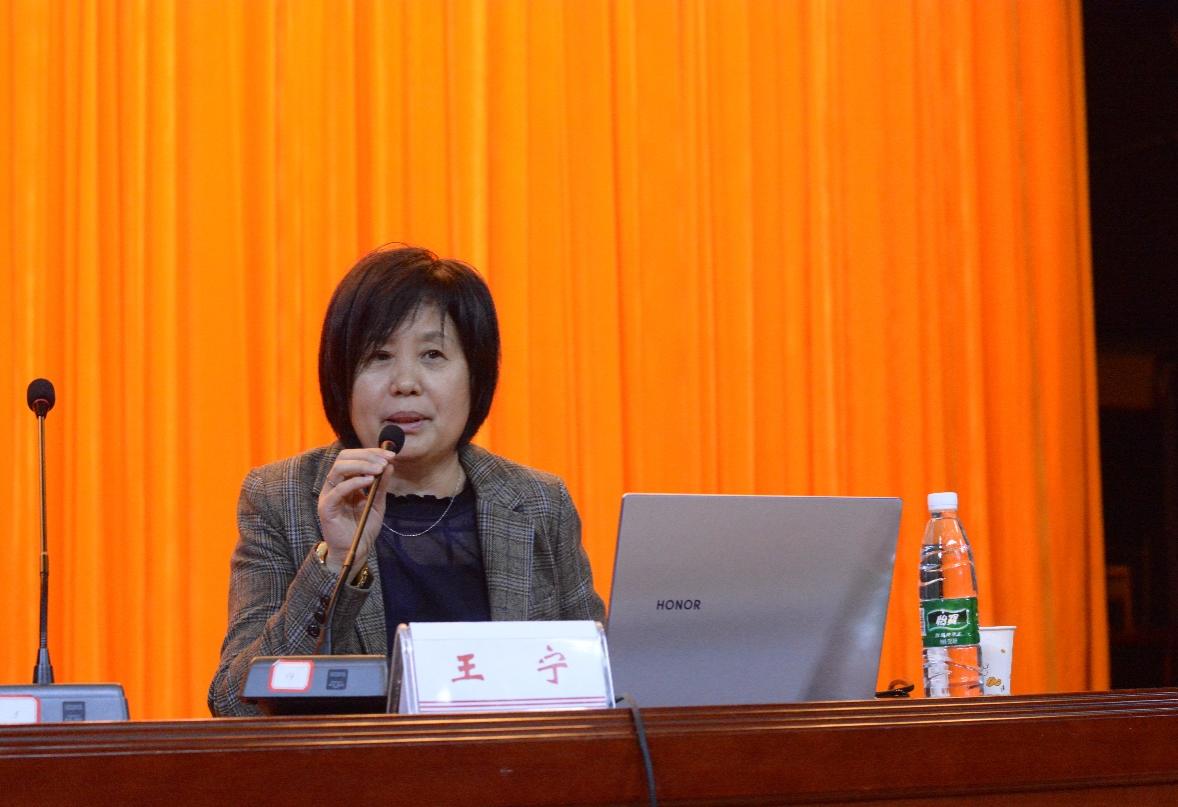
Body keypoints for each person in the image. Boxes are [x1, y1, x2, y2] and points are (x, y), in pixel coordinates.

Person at [208, 246, 604, 716]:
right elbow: (234, 703)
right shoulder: (280, 497)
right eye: (379, 356)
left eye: (433, 355)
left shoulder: (538, 502)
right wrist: (335, 561)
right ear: (341, 378)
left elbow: (600, 688)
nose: (405, 382)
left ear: (475, 375)